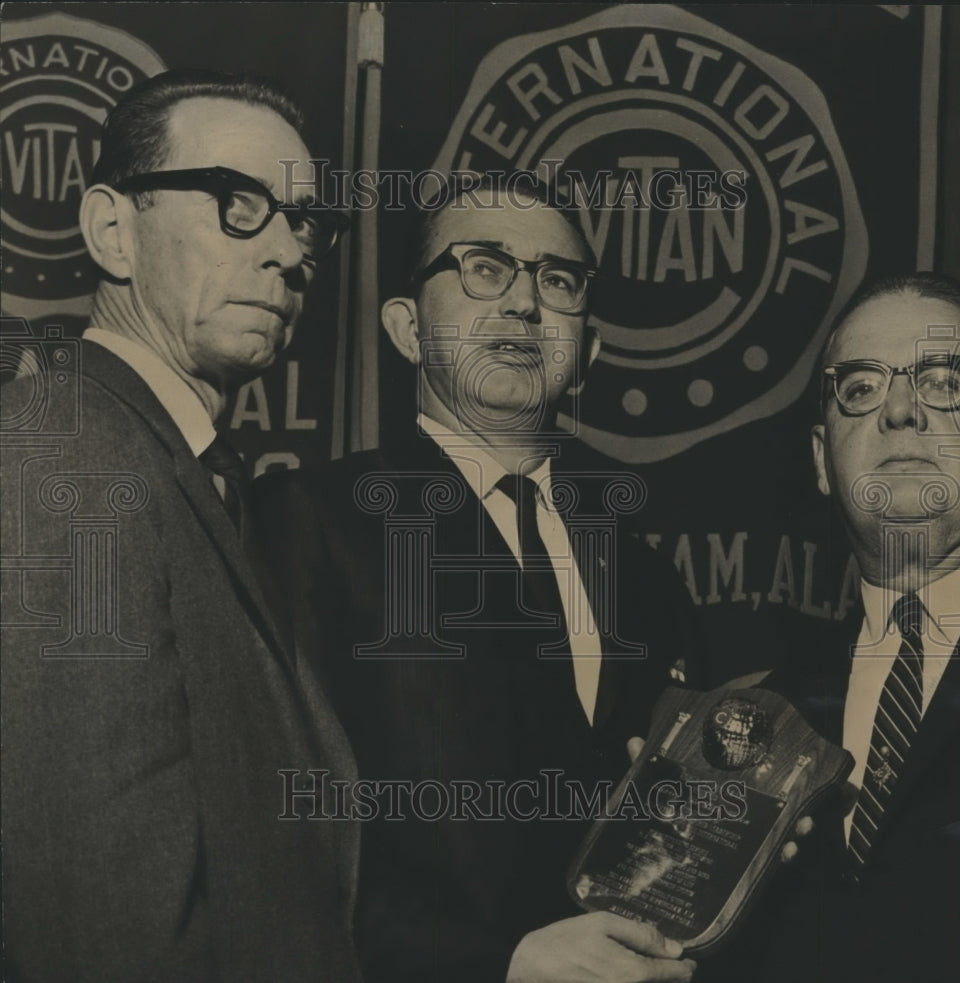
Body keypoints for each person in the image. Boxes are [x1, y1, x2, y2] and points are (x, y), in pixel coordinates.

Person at [253, 179, 705, 983]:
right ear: (405, 327)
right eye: (485, 268)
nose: (526, 303)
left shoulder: (644, 573)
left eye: (558, 281)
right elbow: (273, 832)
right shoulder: (312, 522)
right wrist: (496, 963)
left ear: (589, 350)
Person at [1, 70, 360, 982]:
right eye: (240, 204)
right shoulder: (68, 458)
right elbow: (94, 920)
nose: (288, 252)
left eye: (304, 219)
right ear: (113, 232)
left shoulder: (180, 465)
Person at [744, 273, 960, 983]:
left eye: (944, 379)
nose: (898, 408)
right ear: (824, 462)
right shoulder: (770, 714)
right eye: (859, 386)